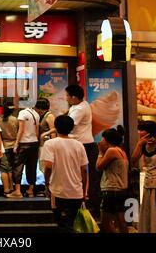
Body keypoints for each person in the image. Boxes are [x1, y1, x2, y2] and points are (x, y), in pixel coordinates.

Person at [40, 115, 89, 232]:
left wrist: (47, 183)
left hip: (58, 191)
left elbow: (48, 167)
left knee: (62, 225)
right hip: (76, 192)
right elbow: (84, 170)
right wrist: (84, 191)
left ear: (55, 127)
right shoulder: (79, 145)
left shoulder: (50, 144)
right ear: (71, 128)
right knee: (72, 224)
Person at [65, 84, 100, 218]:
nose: (66, 98)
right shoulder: (79, 105)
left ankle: (86, 206)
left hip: (83, 145)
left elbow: (69, 125)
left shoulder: (80, 109)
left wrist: (51, 130)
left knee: (82, 176)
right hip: (81, 143)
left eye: (67, 96)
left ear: (74, 97)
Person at [131, 120, 156, 233]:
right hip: (148, 183)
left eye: (142, 132)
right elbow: (133, 160)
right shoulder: (143, 145)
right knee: (149, 211)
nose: (140, 134)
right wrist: (139, 144)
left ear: (150, 133)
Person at [96, 126, 128, 233]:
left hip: (111, 190)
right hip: (120, 190)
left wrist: (100, 152)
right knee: (120, 219)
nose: (101, 141)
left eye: (103, 138)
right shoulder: (121, 151)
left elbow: (99, 167)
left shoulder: (111, 150)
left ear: (107, 140)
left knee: (105, 221)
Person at [6, 100, 40, 198]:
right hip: (34, 143)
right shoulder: (36, 114)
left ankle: (17, 191)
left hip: (24, 143)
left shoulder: (22, 113)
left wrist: (16, 144)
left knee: (18, 167)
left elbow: (21, 130)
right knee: (32, 167)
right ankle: (30, 190)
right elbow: (37, 131)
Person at [0, 101, 18, 191]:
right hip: (14, 145)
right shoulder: (15, 120)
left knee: (4, 169)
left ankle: (7, 188)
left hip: (3, 146)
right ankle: (12, 187)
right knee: (11, 168)